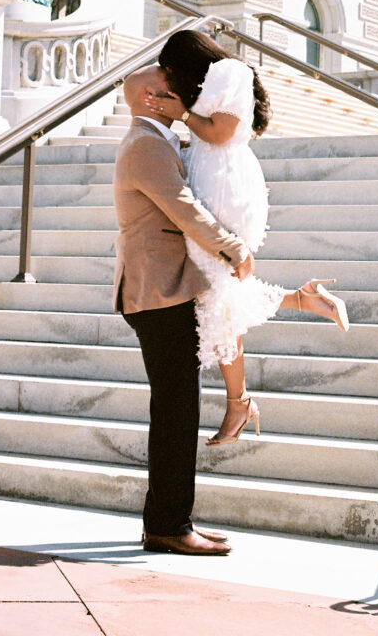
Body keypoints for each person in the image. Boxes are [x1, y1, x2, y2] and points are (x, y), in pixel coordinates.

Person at [145, 30, 349, 446]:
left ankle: (239, 402)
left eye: (172, 69)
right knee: (219, 298)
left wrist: (182, 114)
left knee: (218, 302)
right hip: (212, 182)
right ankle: (301, 300)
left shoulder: (231, 70)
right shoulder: (218, 77)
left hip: (226, 190)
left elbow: (220, 132)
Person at [113, 64, 255, 556]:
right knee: (176, 412)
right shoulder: (146, 144)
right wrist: (233, 247)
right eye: (172, 83)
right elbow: (183, 207)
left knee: (176, 410)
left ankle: (170, 520)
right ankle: (170, 526)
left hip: (166, 289)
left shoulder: (160, 140)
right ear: (153, 96)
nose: (185, 89)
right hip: (158, 291)